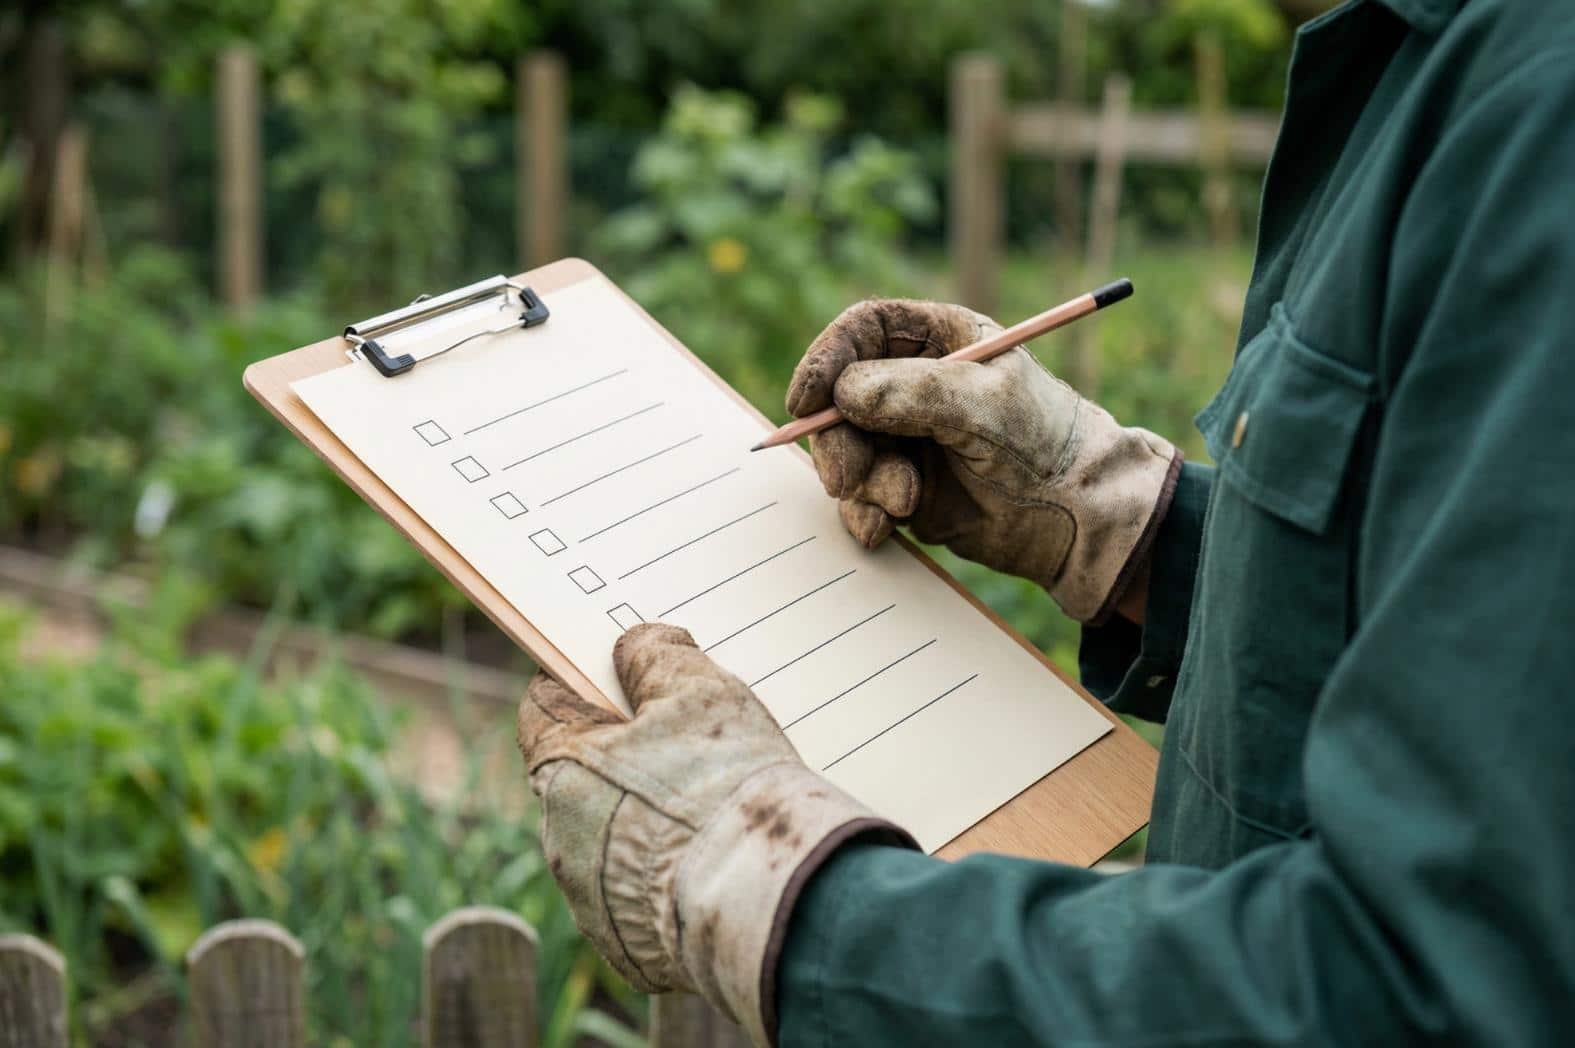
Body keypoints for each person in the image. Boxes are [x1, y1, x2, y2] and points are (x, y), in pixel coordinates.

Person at [514, 0, 1575, 1043]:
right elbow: (1444, 634)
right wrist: (1115, 521)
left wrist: (770, 893)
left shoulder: (1539, 121)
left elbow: (1423, 991)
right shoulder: (1445, 70)